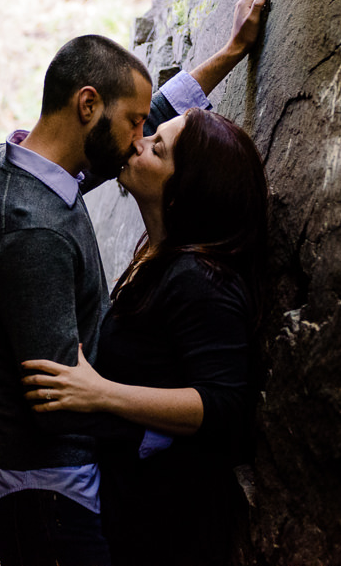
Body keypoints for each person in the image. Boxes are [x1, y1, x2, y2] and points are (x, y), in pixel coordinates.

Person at [0, 0, 270, 565]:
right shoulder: (33, 226)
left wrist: (230, 51)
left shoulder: (26, 167)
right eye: (132, 125)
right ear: (87, 107)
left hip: (66, 478)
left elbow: (152, 117)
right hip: (49, 482)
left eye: (149, 137)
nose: (137, 140)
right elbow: (60, 394)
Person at [21, 107, 270, 566]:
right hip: (130, 505)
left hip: (168, 527)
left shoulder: (200, 280)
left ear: (184, 191)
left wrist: (100, 394)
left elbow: (224, 405)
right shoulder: (158, 259)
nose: (139, 142)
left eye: (158, 147)